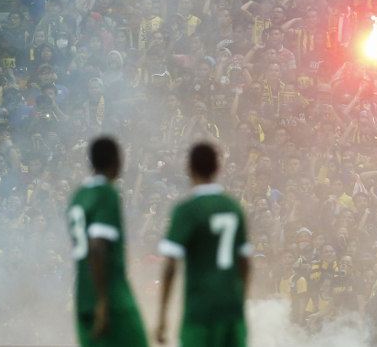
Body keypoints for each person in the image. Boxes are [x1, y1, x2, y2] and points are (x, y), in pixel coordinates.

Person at [156, 142, 251, 346]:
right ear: (217, 168)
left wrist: (162, 317)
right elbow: (245, 263)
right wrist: (240, 302)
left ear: (189, 168)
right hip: (231, 309)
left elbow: (170, 266)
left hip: (200, 309)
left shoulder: (186, 210)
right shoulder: (233, 207)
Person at [67, 137, 150, 347]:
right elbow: (97, 247)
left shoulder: (78, 196)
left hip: (83, 296)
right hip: (111, 297)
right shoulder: (106, 193)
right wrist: (103, 302)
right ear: (117, 161)